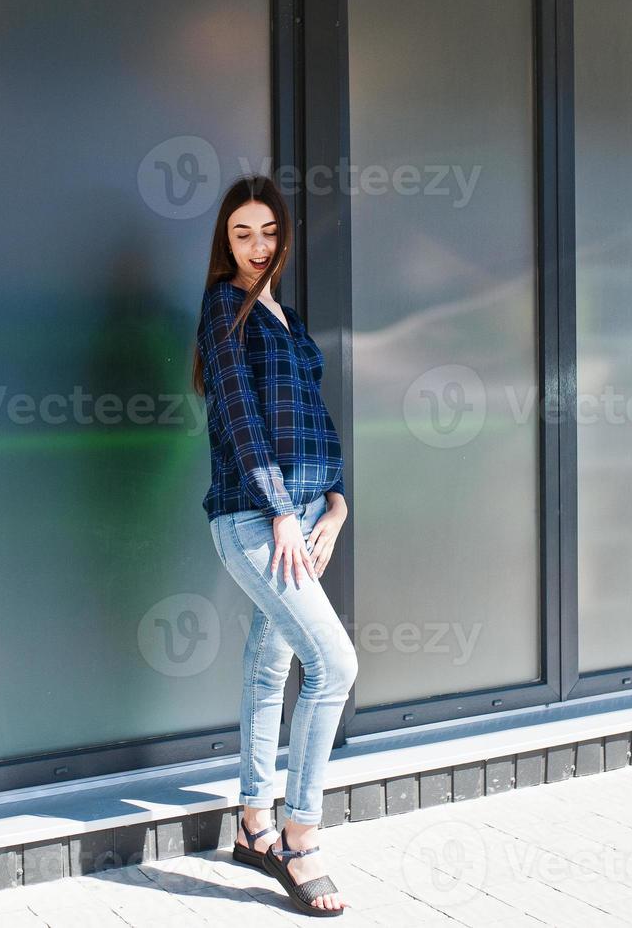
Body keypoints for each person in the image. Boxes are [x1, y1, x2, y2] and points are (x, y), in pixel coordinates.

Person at [192, 174, 356, 916]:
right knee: (334, 663)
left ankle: (254, 823)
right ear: (224, 243)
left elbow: (314, 424)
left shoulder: (286, 316)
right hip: (255, 520)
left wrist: (336, 504)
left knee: (271, 668)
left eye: (266, 233)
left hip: (300, 517)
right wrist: (283, 512)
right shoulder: (223, 306)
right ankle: (301, 834)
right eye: (240, 234)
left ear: (282, 237)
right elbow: (237, 418)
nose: (256, 247)